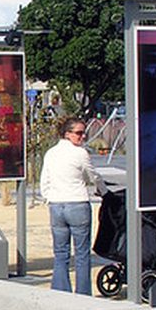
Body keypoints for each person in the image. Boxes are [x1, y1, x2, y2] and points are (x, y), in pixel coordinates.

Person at [40, 117, 101, 295]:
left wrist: (49, 198)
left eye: (83, 133)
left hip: (57, 205)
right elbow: (94, 176)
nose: (82, 137)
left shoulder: (51, 153)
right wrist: (103, 191)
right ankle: (82, 294)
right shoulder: (80, 153)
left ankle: (60, 292)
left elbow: (45, 181)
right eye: (78, 133)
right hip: (77, 204)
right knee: (81, 254)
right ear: (67, 134)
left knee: (60, 253)